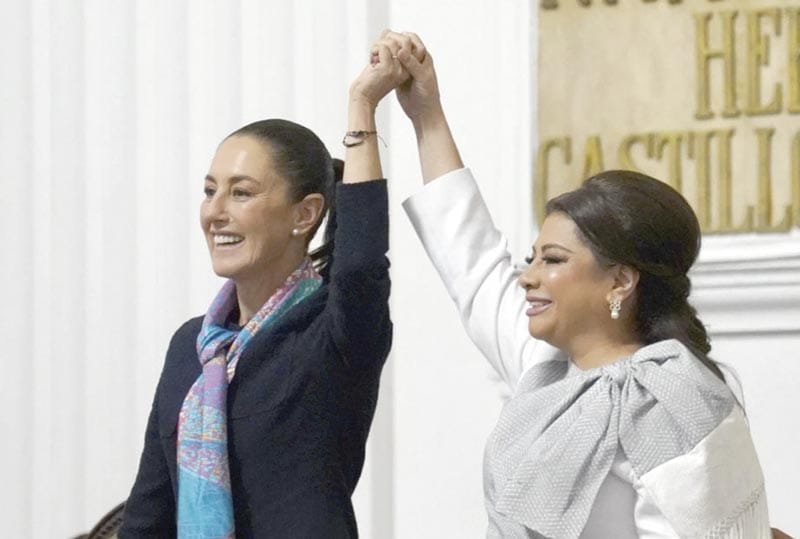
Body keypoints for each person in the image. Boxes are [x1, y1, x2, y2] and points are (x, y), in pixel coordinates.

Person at [378, 31, 773, 538]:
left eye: (554, 260)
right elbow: (468, 256)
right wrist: (426, 115)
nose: (527, 277)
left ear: (621, 281)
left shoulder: (674, 395)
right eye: (531, 258)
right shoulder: (546, 373)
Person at [118, 41, 409, 538]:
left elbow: (360, 265)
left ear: (305, 214)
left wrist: (362, 108)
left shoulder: (331, 333)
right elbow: (148, 516)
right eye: (210, 190)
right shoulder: (191, 348)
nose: (215, 212)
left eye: (242, 192)